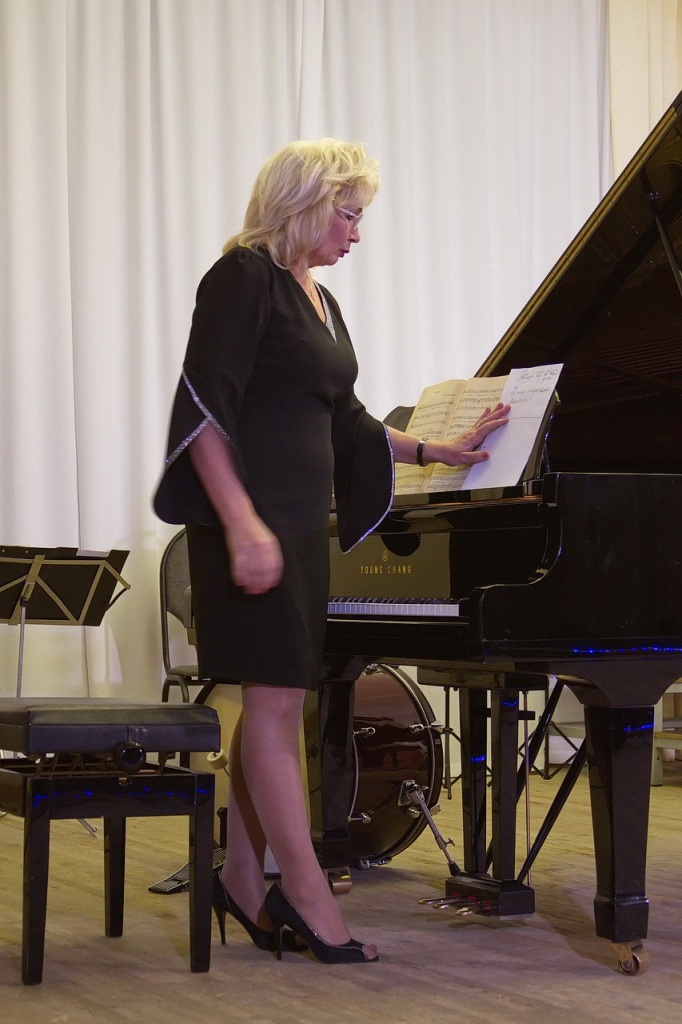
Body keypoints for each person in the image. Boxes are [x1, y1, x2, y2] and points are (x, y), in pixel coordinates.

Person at [154, 138, 509, 964]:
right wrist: (241, 524)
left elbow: (343, 416)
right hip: (253, 526)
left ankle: (242, 879)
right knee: (278, 708)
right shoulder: (243, 278)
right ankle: (307, 895)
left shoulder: (320, 299)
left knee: (275, 707)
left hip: (297, 527)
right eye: (348, 214)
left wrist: (434, 450)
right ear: (304, 202)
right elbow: (203, 406)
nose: (356, 232)